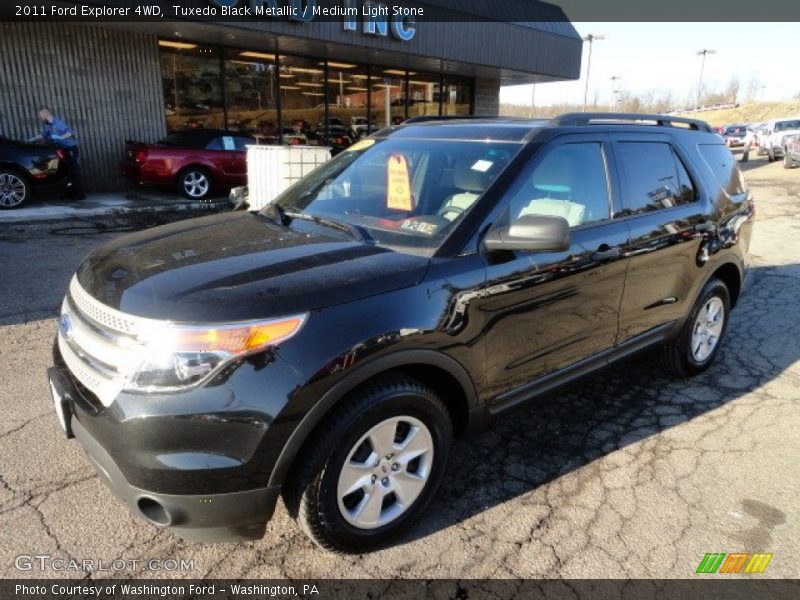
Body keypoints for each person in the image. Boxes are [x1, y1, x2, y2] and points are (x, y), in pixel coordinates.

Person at [28, 107, 85, 200]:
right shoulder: (49, 126)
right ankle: (70, 193)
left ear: (45, 115)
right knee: (66, 170)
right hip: (62, 150)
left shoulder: (58, 123)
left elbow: (70, 132)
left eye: (41, 117)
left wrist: (61, 137)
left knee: (74, 170)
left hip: (70, 149)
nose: (40, 119)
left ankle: (80, 194)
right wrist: (31, 140)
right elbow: (43, 135)